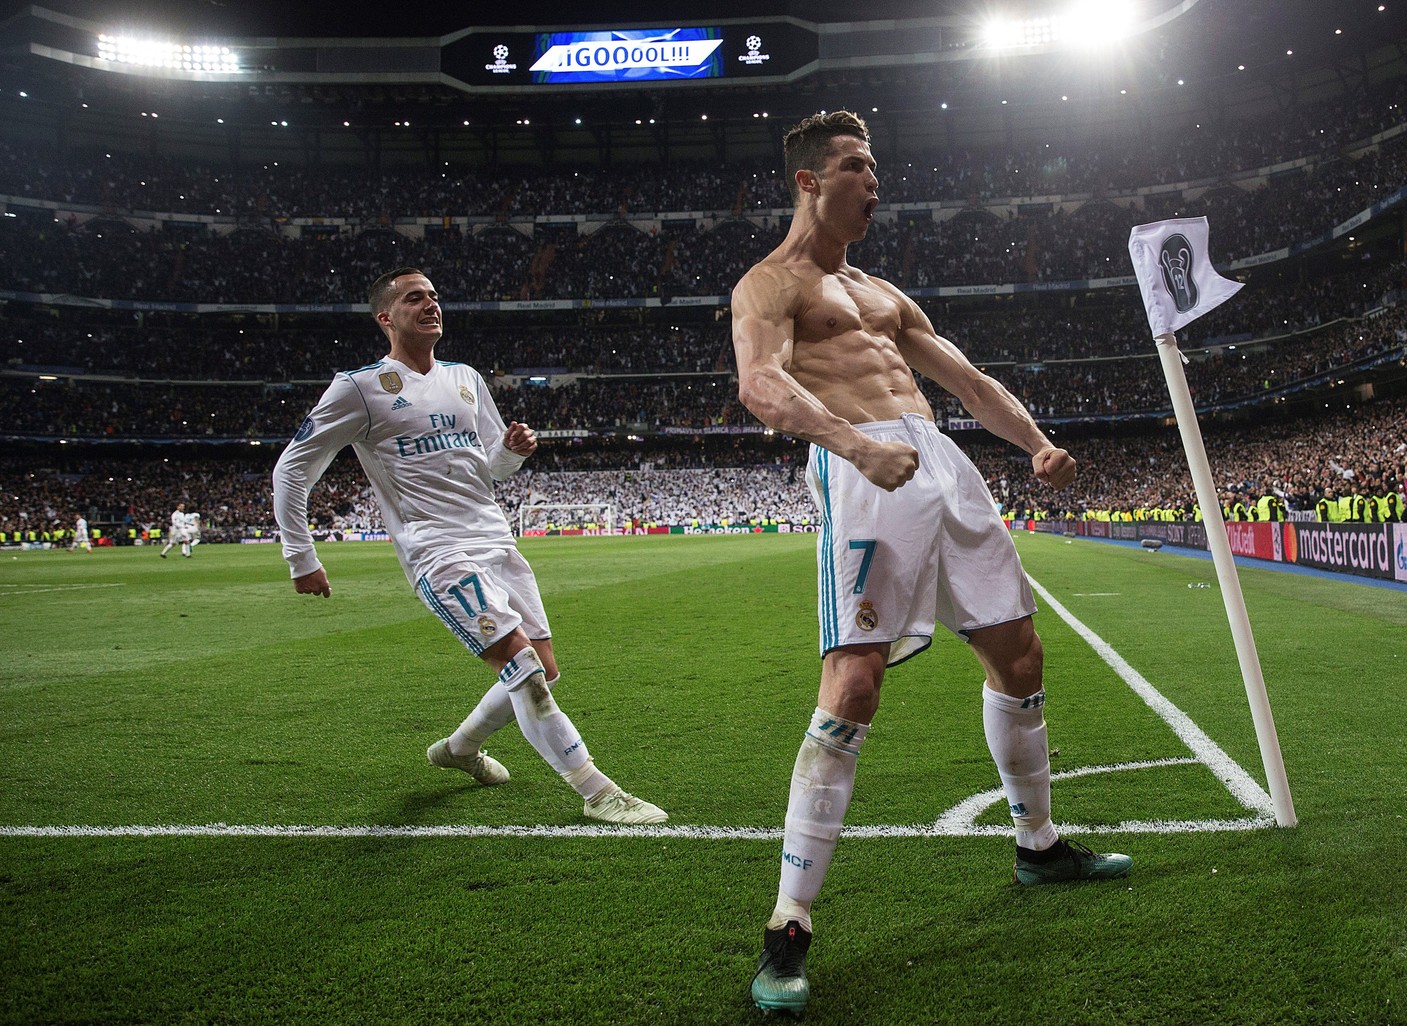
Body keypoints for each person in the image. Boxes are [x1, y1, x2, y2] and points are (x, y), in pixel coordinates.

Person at [730, 111, 1130, 1017]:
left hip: (942, 462)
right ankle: (788, 929)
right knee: (855, 683)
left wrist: (1033, 442)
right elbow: (759, 385)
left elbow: (967, 379)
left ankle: (1038, 847)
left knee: (1020, 656)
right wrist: (851, 446)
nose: (874, 182)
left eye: (875, 167)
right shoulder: (768, 283)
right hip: (864, 463)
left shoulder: (882, 290)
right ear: (808, 181)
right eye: (857, 167)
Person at [271, 266, 666, 825]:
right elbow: (292, 468)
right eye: (414, 298)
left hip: (495, 539)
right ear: (386, 317)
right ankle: (597, 790)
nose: (431, 304)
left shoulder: (465, 378)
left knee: (545, 670)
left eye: (433, 295)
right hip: (437, 548)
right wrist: (301, 556)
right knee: (522, 666)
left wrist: (513, 450)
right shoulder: (358, 388)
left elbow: (491, 470)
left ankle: (458, 749)